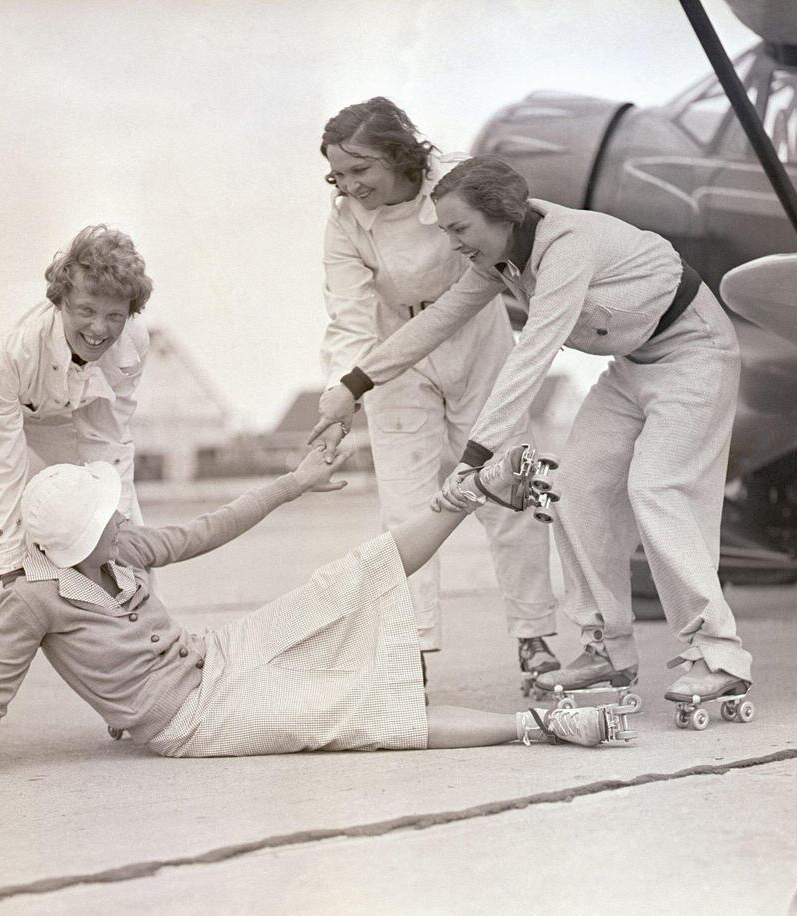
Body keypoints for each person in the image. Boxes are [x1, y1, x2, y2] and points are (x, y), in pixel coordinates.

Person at [0, 446, 638, 792]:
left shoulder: (121, 549)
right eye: (104, 519)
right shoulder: (33, 598)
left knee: (341, 582)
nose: (120, 523)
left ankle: (465, 493)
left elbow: (210, 528)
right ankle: (538, 727)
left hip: (216, 656)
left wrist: (292, 483)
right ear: (74, 543)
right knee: (351, 711)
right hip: (192, 720)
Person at [310, 156, 753, 706]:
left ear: (504, 217)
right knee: (571, 489)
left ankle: (719, 655)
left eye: (460, 229)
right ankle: (608, 649)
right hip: (634, 364)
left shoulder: (566, 245)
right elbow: (435, 322)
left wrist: (474, 457)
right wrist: (354, 383)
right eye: (446, 230)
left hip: (695, 352)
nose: (453, 244)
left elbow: (533, 354)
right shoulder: (501, 263)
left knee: (656, 488)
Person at [315, 97, 561, 686]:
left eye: (360, 171)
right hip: (394, 351)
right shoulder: (345, 221)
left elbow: (512, 237)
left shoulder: (456, 180)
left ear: (399, 155)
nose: (350, 186)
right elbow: (348, 316)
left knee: (508, 484)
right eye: (338, 175)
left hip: (476, 335)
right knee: (406, 506)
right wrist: (339, 390)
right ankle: (413, 649)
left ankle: (535, 638)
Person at [0, 224, 156, 770]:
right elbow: (0, 465)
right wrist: (11, 576)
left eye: (114, 315)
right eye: (86, 310)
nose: (99, 328)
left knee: (99, 515)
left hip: (50, 396)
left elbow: (110, 454)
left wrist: (125, 558)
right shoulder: (13, 343)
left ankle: (129, 673)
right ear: (61, 298)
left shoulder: (130, 345)